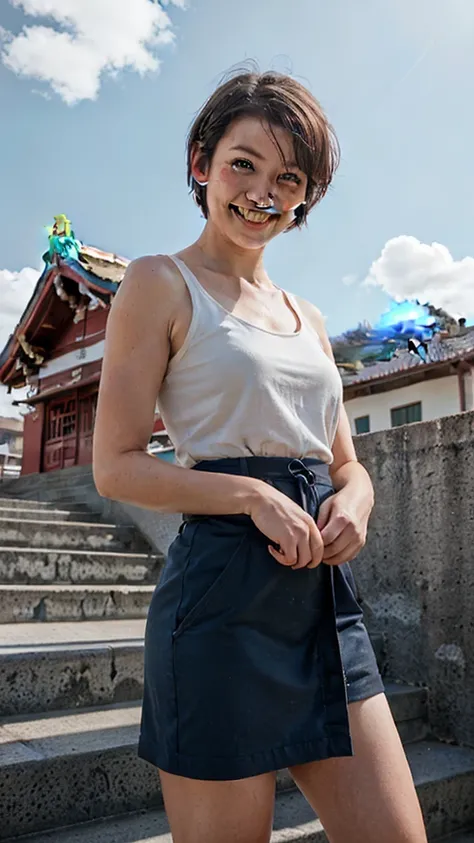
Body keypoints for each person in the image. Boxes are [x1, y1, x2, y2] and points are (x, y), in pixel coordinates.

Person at [93, 69, 427, 843]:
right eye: (243, 163)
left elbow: (347, 462)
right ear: (201, 163)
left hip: (325, 604)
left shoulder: (307, 316)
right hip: (219, 604)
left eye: (289, 178)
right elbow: (114, 465)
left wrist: (355, 503)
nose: (263, 192)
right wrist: (251, 495)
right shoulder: (158, 282)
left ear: (305, 197)